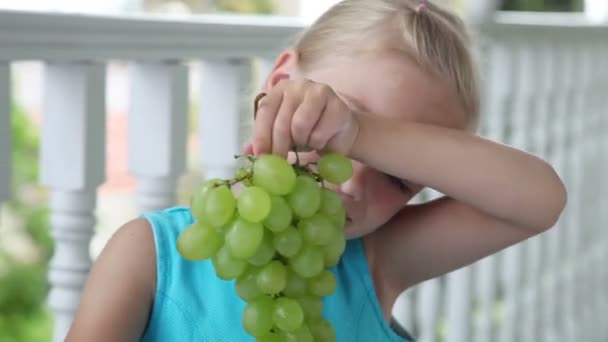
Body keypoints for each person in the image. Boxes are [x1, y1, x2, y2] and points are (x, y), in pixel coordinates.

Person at [66, 0, 567, 341]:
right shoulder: (150, 253)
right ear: (283, 82)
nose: (349, 181)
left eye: (398, 177)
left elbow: (540, 201)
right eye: (331, 133)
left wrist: (361, 132)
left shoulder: (378, 260)